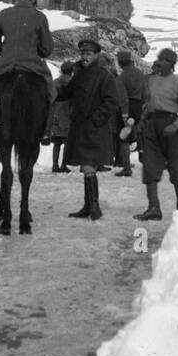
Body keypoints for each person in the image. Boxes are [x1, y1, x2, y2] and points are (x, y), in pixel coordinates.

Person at [0, 0, 54, 145]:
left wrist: (3, 49)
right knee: (51, 93)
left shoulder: (3, 14)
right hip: (33, 66)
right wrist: (38, 50)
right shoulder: (40, 17)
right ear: (34, 0)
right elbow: (47, 49)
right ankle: (45, 131)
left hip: (4, 65)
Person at [59, 38, 121, 220]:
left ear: (96, 55)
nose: (84, 57)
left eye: (88, 54)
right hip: (80, 128)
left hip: (94, 128)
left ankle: (94, 207)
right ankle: (89, 206)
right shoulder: (79, 75)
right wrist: (52, 91)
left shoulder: (104, 76)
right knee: (86, 167)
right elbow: (67, 93)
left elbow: (113, 101)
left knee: (88, 166)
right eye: (83, 54)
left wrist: (96, 119)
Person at [134, 48, 178, 221]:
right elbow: (148, 105)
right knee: (150, 165)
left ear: (172, 64)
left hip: (171, 127)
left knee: (177, 167)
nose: (160, 63)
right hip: (152, 127)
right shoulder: (152, 81)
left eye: (164, 60)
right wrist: (141, 123)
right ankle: (154, 208)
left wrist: (176, 126)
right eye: (159, 59)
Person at [114, 49, 147, 177]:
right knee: (136, 135)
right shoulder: (139, 73)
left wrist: (124, 114)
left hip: (127, 108)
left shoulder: (121, 77)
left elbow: (123, 98)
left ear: (121, 63)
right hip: (138, 106)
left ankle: (126, 167)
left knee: (124, 139)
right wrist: (140, 108)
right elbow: (145, 93)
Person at [49, 61, 75, 171]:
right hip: (67, 113)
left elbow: (50, 99)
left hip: (55, 113)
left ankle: (55, 165)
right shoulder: (73, 83)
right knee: (66, 142)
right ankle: (64, 165)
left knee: (56, 142)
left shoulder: (54, 83)